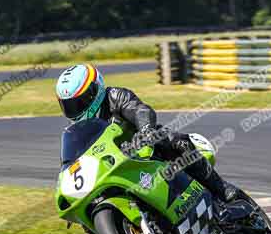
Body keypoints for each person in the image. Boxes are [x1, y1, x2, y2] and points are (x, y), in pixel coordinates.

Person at [55, 63, 240, 202]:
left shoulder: (115, 96)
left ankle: (220, 187)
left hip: (145, 148)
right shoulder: (77, 130)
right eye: (69, 106)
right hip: (115, 167)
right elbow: (75, 159)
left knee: (174, 141)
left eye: (79, 102)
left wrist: (146, 130)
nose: (75, 110)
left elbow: (140, 110)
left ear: (95, 91)